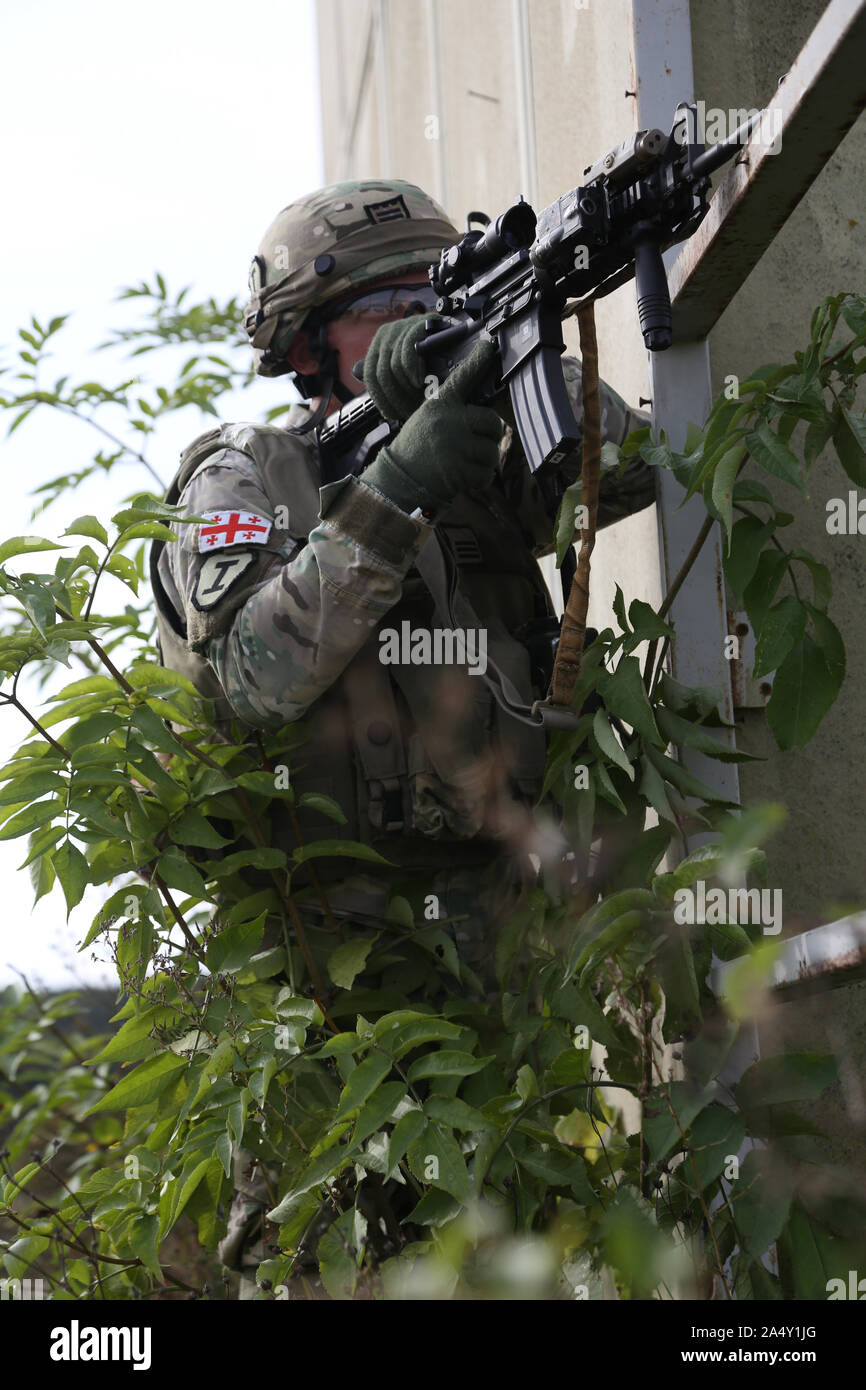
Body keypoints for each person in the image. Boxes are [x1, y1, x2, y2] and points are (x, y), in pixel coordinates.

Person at [150, 178, 655, 1295]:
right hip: (329, 1013)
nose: (409, 314)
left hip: (502, 999)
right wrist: (391, 487)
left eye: (429, 287)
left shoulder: (475, 461)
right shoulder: (250, 475)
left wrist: (516, 351)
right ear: (305, 346)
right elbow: (244, 679)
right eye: (380, 298)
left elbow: (628, 468)